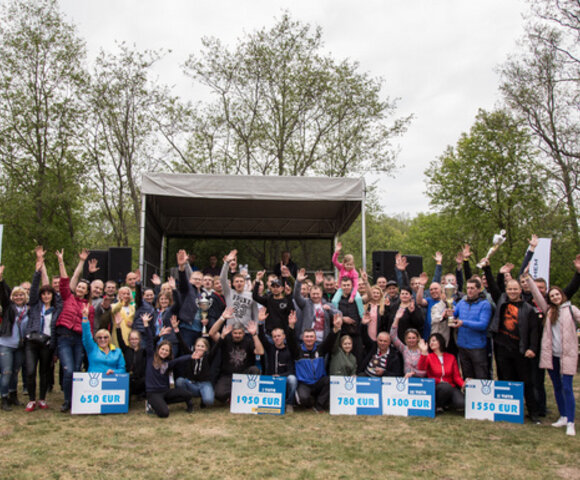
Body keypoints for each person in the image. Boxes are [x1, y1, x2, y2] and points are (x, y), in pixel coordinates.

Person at [483, 262, 541, 423]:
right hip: (502, 347)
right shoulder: (501, 300)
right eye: (510, 289)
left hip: (521, 349)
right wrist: (490, 270)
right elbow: (495, 286)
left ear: (520, 290)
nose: (512, 291)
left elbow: (533, 331)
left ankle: (533, 412)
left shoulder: (528, 308)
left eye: (515, 289)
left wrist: (532, 348)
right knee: (505, 379)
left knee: (526, 381)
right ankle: (508, 409)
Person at [527, 276, 580, 436]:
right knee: (557, 386)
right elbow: (536, 294)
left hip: (568, 355)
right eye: (552, 296)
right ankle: (563, 416)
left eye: (557, 295)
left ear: (562, 296)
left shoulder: (571, 309)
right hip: (552, 355)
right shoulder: (549, 311)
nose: (555, 297)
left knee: (567, 387)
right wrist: (528, 279)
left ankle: (571, 422)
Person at [55, 249, 95, 413]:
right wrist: (61, 261)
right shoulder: (68, 297)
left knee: (77, 370)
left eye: (83, 287)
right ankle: (66, 400)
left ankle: (75, 401)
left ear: (87, 291)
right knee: (69, 370)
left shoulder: (89, 307)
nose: (79, 288)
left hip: (79, 340)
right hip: (64, 337)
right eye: (78, 286)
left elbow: (90, 329)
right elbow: (64, 281)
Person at [24, 248, 62, 412]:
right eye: (44, 294)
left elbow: (66, 288)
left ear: (53, 296)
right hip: (32, 342)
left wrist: (54, 349)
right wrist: (37, 271)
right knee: (31, 371)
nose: (46, 296)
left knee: (45, 372)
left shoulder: (56, 308)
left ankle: (42, 399)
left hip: (47, 343)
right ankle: (31, 400)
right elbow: (33, 289)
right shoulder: (34, 305)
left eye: (49, 294)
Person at [142, 313, 195, 418]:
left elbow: (180, 360)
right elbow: (149, 340)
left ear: (169, 353)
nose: (164, 352)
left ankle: (160, 402)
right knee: (164, 413)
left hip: (165, 392)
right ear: (158, 349)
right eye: (162, 349)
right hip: (153, 393)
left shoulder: (168, 363)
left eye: (167, 350)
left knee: (187, 394)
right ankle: (152, 403)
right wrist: (146, 324)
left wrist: (191, 356)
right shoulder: (150, 356)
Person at [287, 316, 340, 412]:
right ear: (303, 338)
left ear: (315, 338)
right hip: (304, 384)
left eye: (311, 336)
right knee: (303, 399)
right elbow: (290, 340)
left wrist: (335, 328)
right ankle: (311, 402)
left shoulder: (320, 349)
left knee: (330, 380)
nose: (309, 339)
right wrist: (291, 326)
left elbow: (330, 340)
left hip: (318, 382)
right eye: (307, 337)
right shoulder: (297, 350)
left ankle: (318, 406)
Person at [208, 315, 264, 403]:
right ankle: (233, 398)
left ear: (244, 333)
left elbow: (260, 351)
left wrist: (254, 334)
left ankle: (245, 396)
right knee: (219, 394)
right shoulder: (226, 339)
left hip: (244, 375)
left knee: (255, 370)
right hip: (228, 376)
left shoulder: (249, 341)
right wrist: (222, 318)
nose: (237, 335)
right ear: (231, 333)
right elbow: (211, 333)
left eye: (240, 333)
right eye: (235, 333)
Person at [172, 315, 220, 408]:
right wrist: (176, 329)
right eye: (198, 346)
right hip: (191, 383)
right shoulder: (190, 355)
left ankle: (203, 397)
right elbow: (182, 344)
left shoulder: (208, 357)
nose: (199, 348)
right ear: (194, 346)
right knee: (179, 381)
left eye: (202, 346)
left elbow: (218, 345)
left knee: (209, 401)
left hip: (204, 383)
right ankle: (188, 398)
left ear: (206, 349)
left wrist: (223, 336)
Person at [0, 266, 29, 411]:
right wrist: (1, 279)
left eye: (21, 295)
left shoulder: (27, 310)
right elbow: (3, 294)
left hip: (20, 346)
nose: (18, 297)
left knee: (15, 372)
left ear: (25, 297)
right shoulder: (8, 307)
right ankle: (3, 397)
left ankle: (13, 395)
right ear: (12, 297)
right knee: (6, 372)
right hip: (6, 344)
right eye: (16, 295)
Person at [258, 309, 298, 412]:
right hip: (271, 379)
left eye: (279, 336)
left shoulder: (290, 350)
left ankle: (289, 404)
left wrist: (291, 326)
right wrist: (260, 323)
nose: (277, 338)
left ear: (284, 336)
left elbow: (291, 371)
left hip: (284, 378)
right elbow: (262, 338)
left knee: (293, 379)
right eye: (274, 336)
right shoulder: (270, 348)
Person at [452, 277, 492, 379]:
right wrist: (448, 313)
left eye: (472, 288)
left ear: (479, 289)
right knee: (467, 376)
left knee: (480, 376)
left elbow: (483, 325)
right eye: (468, 288)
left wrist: (463, 322)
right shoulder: (462, 302)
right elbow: (454, 314)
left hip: (477, 347)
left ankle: (482, 395)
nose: (469, 290)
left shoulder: (485, 304)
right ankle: (468, 394)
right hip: (462, 345)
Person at [418, 334, 465, 412]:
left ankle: (446, 404)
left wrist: (463, 384)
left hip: (450, 386)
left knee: (461, 404)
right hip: (436, 387)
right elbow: (421, 368)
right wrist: (423, 352)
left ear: (440, 342)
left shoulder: (451, 357)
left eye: (433, 340)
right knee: (445, 387)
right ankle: (438, 405)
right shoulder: (429, 357)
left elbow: (456, 377)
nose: (431, 343)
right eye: (430, 342)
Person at [294, 270, 337, 342]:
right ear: (309, 293)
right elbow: (296, 296)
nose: (315, 296)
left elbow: (339, 314)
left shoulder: (327, 304)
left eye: (317, 294)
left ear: (321, 294)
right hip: (307, 340)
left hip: (323, 341)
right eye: (313, 294)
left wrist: (330, 310)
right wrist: (298, 282)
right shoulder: (305, 303)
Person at [81, 304, 125, 375]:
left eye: (105, 337)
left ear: (109, 338)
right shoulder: (92, 348)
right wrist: (85, 317)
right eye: (100, 337)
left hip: (111, 382)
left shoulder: (117, 352)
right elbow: (86, 336)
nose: (102, 339)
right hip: (94, 381)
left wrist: (114, 371)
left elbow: (122, 370)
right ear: (96, 339)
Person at [220, 249, 258, 329]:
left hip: (247, 331)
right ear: (233, 284)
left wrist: (256, 330)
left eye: (241, 281)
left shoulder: (251, 295)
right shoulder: (229, 293)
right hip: (230, 330)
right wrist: (226, 263)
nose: (239, 283)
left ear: (245, 283)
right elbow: (222, 279)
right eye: (236, 281)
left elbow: (255, 314)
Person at [114, 313, 146, 399]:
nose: (134, 341)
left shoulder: (144, 351)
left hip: (141, 380)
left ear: (139, 340)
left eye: (136, 339)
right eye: (132, 339)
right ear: (129, 340)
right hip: (128, 379)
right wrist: (118, 326)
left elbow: (151, 343)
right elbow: (120, 339)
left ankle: (142, 395)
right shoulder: (126, 350)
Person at [253, 269, 294, 334]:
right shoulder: (268, 299)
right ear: (270, 288)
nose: (275, 288)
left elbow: (292, 311)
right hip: (269, 333)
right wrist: (257, 280)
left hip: (282, 334)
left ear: (282, 288)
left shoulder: (286, 300)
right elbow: (255, 296)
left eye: (277, 286)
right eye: (273, 286)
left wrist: (289, 295)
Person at [389, 311, 425, 378]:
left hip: (420, 380)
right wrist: (396, 319)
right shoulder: (404, 349)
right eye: (409, 338)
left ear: (417, 339)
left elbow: (425, 371)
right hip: (406, 378)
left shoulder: (423, 349)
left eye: (413, 338)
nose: (411, 340)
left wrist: (413, 373)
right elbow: (393, 336)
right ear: (406, 339)